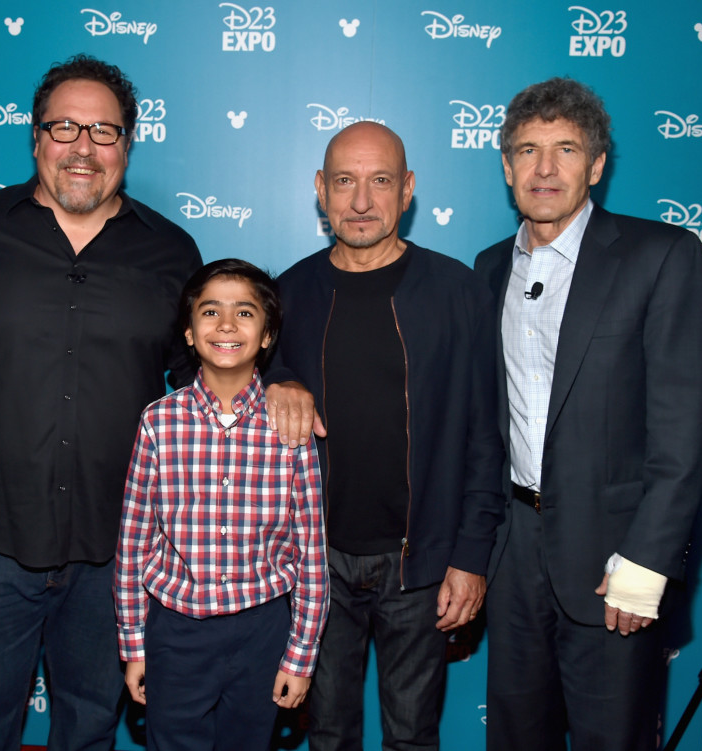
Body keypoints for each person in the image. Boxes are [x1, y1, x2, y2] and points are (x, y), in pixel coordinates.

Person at [0, 55, 205, 751]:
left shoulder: (172, 252)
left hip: (116, 547)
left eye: (104, 131)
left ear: (129, 145)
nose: (83, 147)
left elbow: (205, 374)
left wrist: (281, 379)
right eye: (65, 127)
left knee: (90, 726)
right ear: (35, 137)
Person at [474, 77, 702, 751]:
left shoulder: (661, 257)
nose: (545, 168)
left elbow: (683, 433)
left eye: (566, 150)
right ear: (505, 165)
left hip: (617, 561)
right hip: (513, 557)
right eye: (527, 149)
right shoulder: (489, 268)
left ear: (598, 165)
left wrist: (646, 564)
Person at [266, 121, 505, 750]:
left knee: (410, 738)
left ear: (408, 190)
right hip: (316, 562)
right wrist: (280, 375)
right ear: (321, 188)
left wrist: (470, 557)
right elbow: (241, 366)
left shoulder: (459, 292)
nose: (362, 202)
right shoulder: (287, 292)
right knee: (329, 735)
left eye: (381, 182)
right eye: (345, 182)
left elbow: (487, 434)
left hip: (421, 566)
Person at [114, 258, 330, 751]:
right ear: (189, 333)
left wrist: (300, 656)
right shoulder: (158, 423)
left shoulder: (291, 427)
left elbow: (311, 555)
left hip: (263, 630)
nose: (227, 325)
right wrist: (134, 645)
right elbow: (133, 544)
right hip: (176, 631)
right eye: (210, 312)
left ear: (269, 334)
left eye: (245, 313)